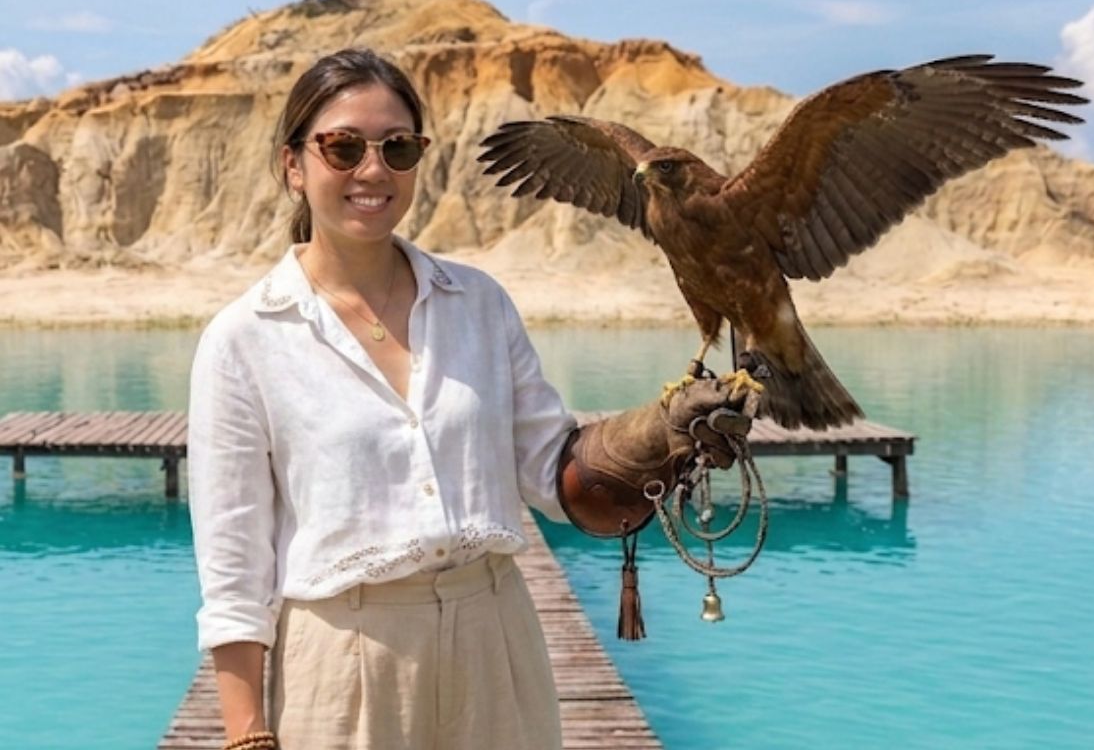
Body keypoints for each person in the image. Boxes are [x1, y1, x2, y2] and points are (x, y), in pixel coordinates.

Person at [187, 47, 750, 750]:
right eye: (342, 146)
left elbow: (553, 472)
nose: (372, 170)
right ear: (292, 165)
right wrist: (247, 738)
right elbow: (235, 569)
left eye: (398, 147)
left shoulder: (479, 303)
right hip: (341, 665)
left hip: (496, 641)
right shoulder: (242, 338)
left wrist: (659, 437)